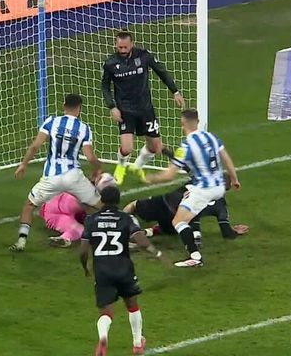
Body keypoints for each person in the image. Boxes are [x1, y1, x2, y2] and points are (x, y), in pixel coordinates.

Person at [145, 109, 240, 268]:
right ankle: (196, 234)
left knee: (178, 221)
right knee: (187, 212)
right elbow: (227, 159)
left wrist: (152, 178)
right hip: (219, 188)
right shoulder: (212, 137)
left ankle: (195, 256)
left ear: (183, 124)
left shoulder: (186, 146)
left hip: (203, 189)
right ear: (197, 122)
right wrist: (234, 179)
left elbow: (169, 175)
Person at [79, 186, 167, 355]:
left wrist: (85, 268)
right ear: (118, 200)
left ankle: (103, 337)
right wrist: (157, 253)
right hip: (123, 269)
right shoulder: (125, 218)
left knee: (105, 313)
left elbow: (83, 251)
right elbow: (141, 240)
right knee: (132, 306)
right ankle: (137, 343)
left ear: (102, 200)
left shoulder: (91, 220)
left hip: (102, 271)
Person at [10, 93, 103, 252]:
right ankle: (118, 234)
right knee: (101, 206)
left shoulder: (51, 122)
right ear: (80, 109)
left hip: (51, 178)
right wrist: (97, 170)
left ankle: (21, 242)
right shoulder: (84, 128)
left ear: (64, 106)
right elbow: (90, 156)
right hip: (74, 176)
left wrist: (23, 164)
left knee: (29, 206)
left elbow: (35, 146)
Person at [101, 31, 185, 185]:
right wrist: (112, 107)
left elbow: (161, 71)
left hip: (145, 109)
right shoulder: (110, 63)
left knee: (154, 147)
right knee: (127, 148)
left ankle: (137, 166)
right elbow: (105, 86)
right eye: (120, 47)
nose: (123, 50)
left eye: (125, 47)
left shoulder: (144, 56)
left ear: (132, 44)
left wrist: (175, 91)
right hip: (125, 111)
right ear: (115, 45)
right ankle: (121, 167)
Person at [123, 172, 248, 250]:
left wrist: (165, 150)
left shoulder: (198, 179)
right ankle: (147, 232)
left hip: (166, 204)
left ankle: (120, 231)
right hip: (178, 220)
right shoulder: (221, 204)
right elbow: (227, 233)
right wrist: (234, 231)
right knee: (175, 228)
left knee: (132, 206)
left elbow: (184, 165)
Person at [43, 173, 117, 248]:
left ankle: (64, 238)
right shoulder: (89, 199)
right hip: (55, 212)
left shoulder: (83, 186)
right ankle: (65, 237)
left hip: (53, 206)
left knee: (80, 227)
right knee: (82, 230)